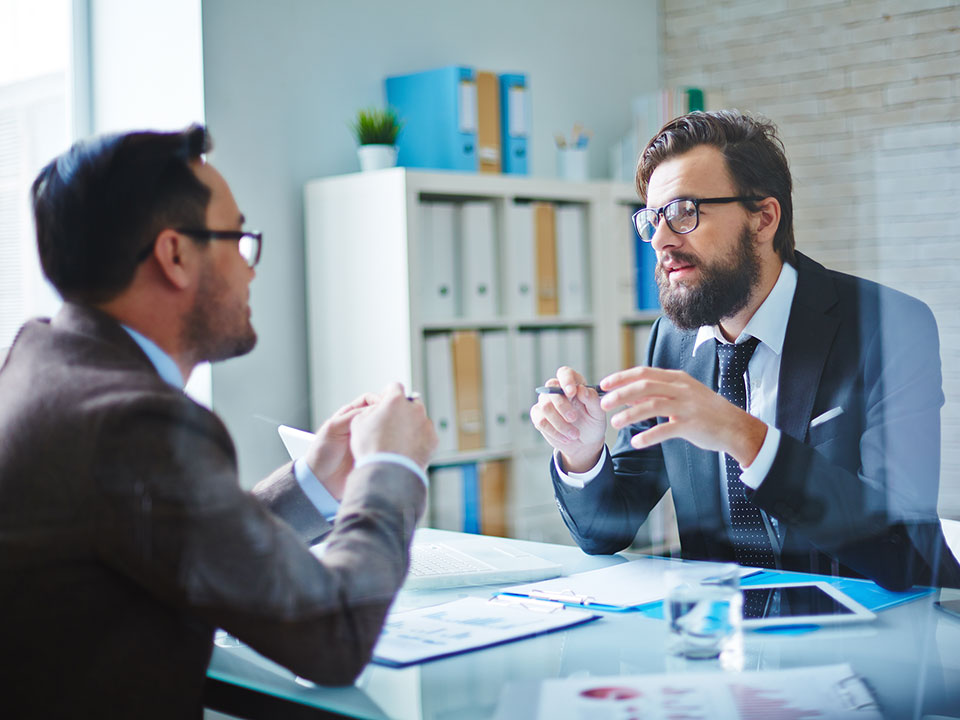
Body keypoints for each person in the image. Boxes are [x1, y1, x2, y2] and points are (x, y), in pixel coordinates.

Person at [0, 124, 437, 717]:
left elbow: (167, 536)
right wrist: (390, 466)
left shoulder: (40, 361)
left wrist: (313, 480)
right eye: (238, 238)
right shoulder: (134, 421)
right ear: (174, 255)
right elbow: (335, 636)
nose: (251, 267)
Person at [531, 110, 960, 592]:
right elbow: (607, 529)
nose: (662, 240)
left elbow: (905, 552)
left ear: (763, 218)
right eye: (652, 220)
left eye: (684, 213)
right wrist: (584, 455)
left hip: (863, 638)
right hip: (720, 640)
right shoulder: (670, 341)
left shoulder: (889, 326)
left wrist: (745, 436)